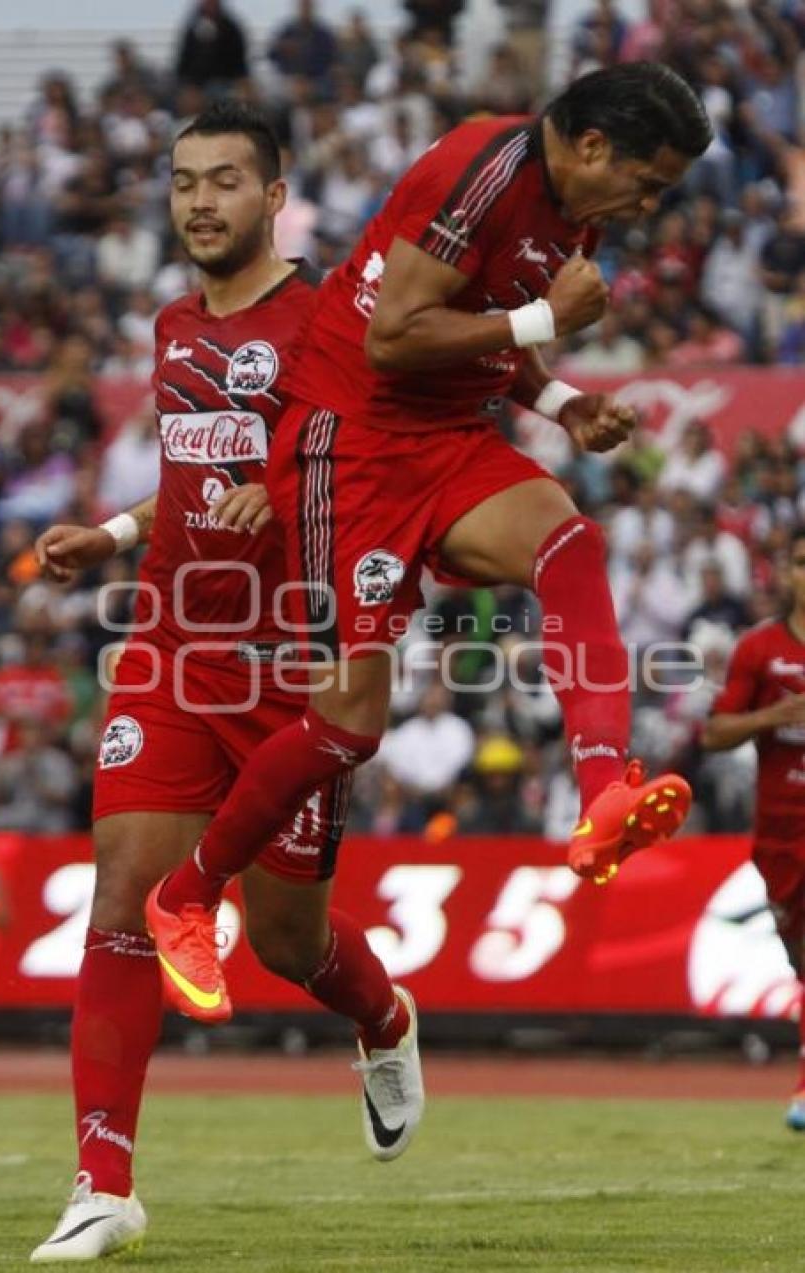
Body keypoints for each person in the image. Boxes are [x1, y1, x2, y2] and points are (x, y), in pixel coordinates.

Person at [147, 64, 709, 1011]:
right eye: (648, 182)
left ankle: (604, 790)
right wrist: (546, 320)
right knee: (344, 728)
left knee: (569, 542)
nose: (651, 205)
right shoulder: (478, 172)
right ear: (592, 146)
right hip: (347, 442)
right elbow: (394, 338)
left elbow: (486, 325)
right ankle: (186, 894)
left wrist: (561, 399)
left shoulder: (575, 201)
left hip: (445, 436)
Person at [30, 101, 421, 1265]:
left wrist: (301, 493)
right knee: (123, 896)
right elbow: (191, 477)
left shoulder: (333, 324)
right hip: (168, 647)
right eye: (184, 181)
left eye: (225, 181)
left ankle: (383, 1016)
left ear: (274, 192)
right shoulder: (171, 326)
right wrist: (111, 530)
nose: (200, 201)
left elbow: (394, 475)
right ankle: (104, 1182)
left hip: (295, 663)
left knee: (288, 941)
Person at [703, 526, 805, 1132]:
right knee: (800, 961)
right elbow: (715, 733)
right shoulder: (760, 648)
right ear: (786, 573)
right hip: (779, 835)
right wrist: (774, 715)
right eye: (798, 561)